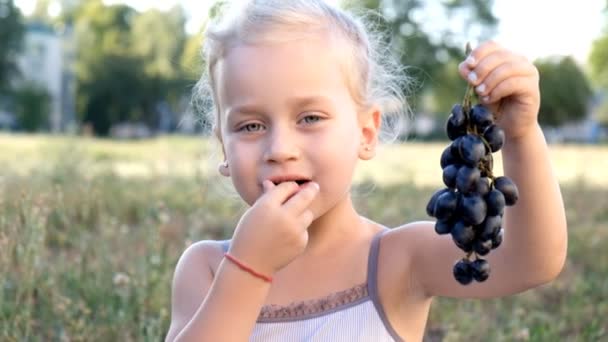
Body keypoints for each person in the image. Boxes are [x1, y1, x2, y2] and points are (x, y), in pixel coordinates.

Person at [165, 1, 568, 341]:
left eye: (309, 118)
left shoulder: (397, 259)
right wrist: (247, 268)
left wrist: (520, 134)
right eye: (251, 125)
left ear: (366, 133)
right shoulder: (206, 269)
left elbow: (532, 261)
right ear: (224, 145)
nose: (280, 149)